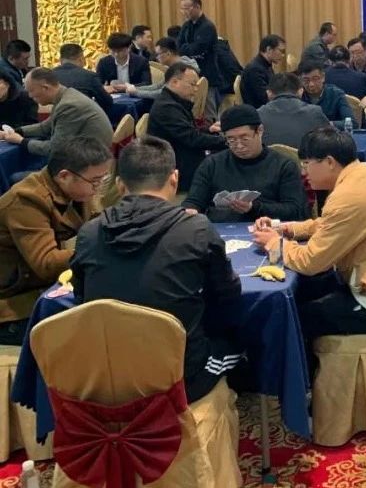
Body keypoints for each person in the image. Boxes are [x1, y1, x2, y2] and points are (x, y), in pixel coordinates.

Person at [71, 136, 242, 403]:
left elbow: (82, 300)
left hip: (108, 375)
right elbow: (228, 296)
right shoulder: (196, 229)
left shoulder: (89, 233)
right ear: (174, 179)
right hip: (180, 378)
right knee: (237, 339)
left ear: (120, 185)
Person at [249, 128, 366, 338]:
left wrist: (275, 243)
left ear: (329, 162)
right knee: (302, 291)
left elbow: (311, 262)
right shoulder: (363, 175)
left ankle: (300, 360)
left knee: (286, 320)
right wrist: (288, 229)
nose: (304, 173)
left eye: (306, 164)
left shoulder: (349, 196)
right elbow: (332, 224)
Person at [0, 137, 110, 342]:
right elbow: (46, 263)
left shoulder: (77, 190)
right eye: (95, 181)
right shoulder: (26, 201)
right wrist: (99, 249)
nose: (98, 187)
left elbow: (97, 222)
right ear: (64, 176)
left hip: (51, 283)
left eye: (104, 179)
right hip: (18, 298)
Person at [181, 105, 307, 223]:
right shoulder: (212, 164)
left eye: (244, 138)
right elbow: (194, 201)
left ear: (260, 131)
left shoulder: (283, 166)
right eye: (231, 140)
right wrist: (190, 210)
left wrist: (254, 207)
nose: (239, 146)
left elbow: (295, 210)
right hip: (220, 230)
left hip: (267, 231)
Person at [147, 63, 226, 191]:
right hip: (176, 169)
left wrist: (209, 129)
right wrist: (229, 141)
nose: (195, 90)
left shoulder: (175, 102)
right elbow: (192, 138)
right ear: (175, 82)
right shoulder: (167, 108)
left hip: (183, 157)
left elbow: (187, 131)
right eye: (192, 84)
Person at [0, 68, 112, 157]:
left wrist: (21, 141)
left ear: (45, 88)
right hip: (85, 153)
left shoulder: (69, 106)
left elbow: (55, 149)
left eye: (31, 91)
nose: (29, 95)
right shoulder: (66, 96)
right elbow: (45, 127)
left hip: (89, 161)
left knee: (16, 176)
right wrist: (15, 131)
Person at [177, 0, 222, 120]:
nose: (184, 12)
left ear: (197, 7)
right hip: (190, 75)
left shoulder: (207, 26)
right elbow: (179, 46)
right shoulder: (186, 26)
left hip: (207, 74)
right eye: (182, 9)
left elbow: (197, 49)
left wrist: (187, 48)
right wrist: (187, 48)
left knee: (209, 113)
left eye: (186, 8)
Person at [258, 72, 330, 149]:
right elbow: (330, 141)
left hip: (269, 156)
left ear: (269, 93)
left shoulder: (258, 114)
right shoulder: (315, 112)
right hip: (306, 156)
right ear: (300, 91)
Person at [127, 38, 198, 102]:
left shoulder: (183, 70)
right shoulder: (176, 67)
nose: (156, 58)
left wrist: (136, 92)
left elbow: (163, 93)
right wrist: (135, 88)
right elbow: (158, 86)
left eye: (158, 54)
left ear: (168, 53)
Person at [54, 43, 113, 111]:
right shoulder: (89, 76)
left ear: (60, 60)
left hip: (57, 115)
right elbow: (107, 102)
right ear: (81, 59)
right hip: (84, 115)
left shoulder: (50, 75)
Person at [298, 61, 356, 130]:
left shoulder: (336, 94)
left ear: (323, 77)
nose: (311, 84)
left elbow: (352, 123)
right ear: (300, 80)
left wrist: (326, 124)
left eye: (315, 79)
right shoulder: (297, 96)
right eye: (306, 80)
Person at [240, 34, 286, 108]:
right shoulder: (254, 69)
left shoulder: (265, 65)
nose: (283, 55)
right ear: (269, 49)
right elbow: (265, 97)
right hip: (259, 111)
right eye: (281, 51)